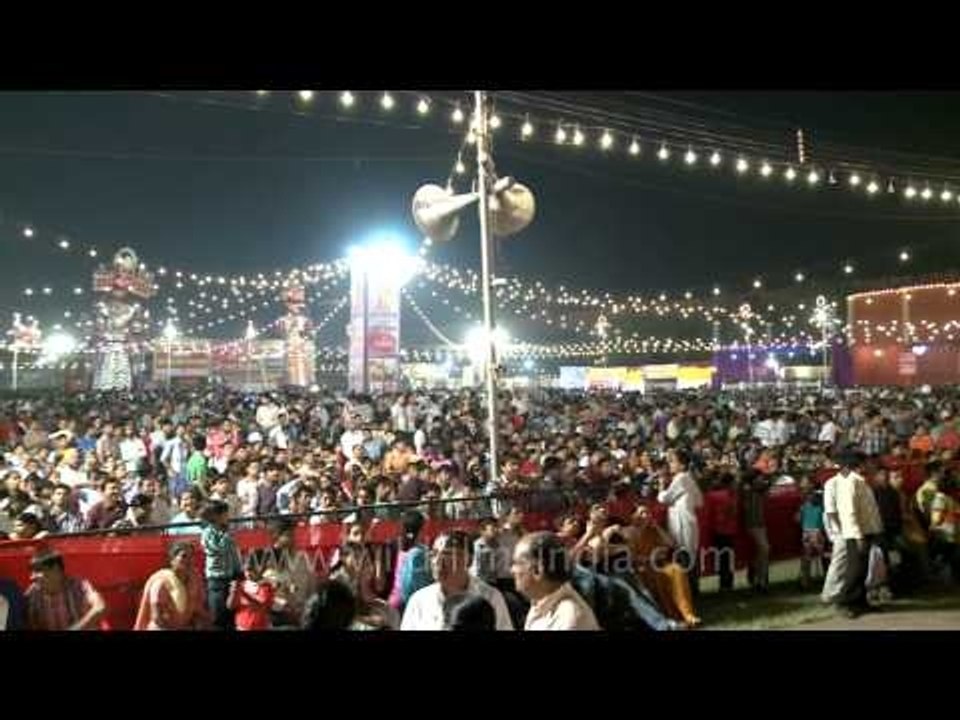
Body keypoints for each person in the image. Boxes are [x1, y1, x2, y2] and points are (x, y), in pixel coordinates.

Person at [401, 531, 513, 630]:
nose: (438, 561)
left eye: (448, 554)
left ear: (469, 560)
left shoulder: (490, 597)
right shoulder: (419, 600)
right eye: (434, 554)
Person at [625, 505, 700, 627]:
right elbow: (631, 557)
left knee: (677, 570)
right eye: (642, 513)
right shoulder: (630, 531)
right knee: (657, 577)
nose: (646, 515)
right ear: (634, 516)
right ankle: (672, 616)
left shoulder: (654, 529)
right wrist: (650, 558)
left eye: (648, 512)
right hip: (643, 568)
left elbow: (671, 544)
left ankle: (688, 614)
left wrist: (657, 528)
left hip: (661, 565)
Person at [512, 531, 599, 630]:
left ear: (537, 570)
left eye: (516, 563)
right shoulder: (541, 601)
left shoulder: (570, 620)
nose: (512, 570)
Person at [657, 448, 703, 594]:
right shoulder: (688, 478)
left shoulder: (681, 478)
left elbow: (664, 498)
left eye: (673, 461)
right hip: (687, 520)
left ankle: (688, 591)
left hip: (682, 523)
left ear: (682, 465)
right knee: (688, 556)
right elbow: (699, 501)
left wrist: (661, 486)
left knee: (684, 556)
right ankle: (693, 590)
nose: (670, 464)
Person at [25, 549, 107, 630]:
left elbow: (100, 607)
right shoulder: (32, 594)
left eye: (37, 570)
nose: (32, 577)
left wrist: (76, 628)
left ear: (55, 569)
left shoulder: (79, 586)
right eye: (32, 572)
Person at [134, 542, 210, 630]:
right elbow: (157, 618)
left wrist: (199, 623)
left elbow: (198, 611)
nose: (189, 560)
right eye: (184, 556)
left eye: (192, 556)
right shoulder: (162, 582)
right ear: (172, 560)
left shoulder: (195, 581)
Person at [200, 499, 243, 630]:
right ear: (215, 516)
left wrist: (238, 571)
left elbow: (233, 553)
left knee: (232, 615)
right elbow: (217, 549)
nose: (228, 517)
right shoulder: (207, 533)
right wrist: (226, 534)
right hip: (217, 580)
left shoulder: (227, 533)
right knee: (218, 616)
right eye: (225, 514)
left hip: (231, 578)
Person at [387, 510, 432, 613]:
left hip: (395, 602)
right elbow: (413, 585)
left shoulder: (401, 549)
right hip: (405, 606)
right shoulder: (417, 554)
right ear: (420, 529)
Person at [228, 548, 276, 631]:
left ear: (260, 570)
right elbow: (230, 606)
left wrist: (243, 593)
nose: (248, 573)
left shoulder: (266, 586)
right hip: (242, 627)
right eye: (246, 570)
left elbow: (261, 603)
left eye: (251, 570)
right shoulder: (242, 585)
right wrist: (233, 592)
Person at [797, 478, 827, 590]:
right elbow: (799, 517)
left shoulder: (817, 498)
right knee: (809, 556)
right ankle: (805, 581)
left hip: (814, 530)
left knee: (817, 555)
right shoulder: (806, 500)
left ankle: (807, 581)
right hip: (809, 530)